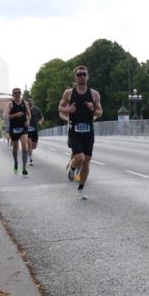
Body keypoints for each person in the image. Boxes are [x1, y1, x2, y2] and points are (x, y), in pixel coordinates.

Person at [59, 65, 103, 200]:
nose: (82, 76)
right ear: (75, 77)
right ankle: (72, 169)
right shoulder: (69, 93)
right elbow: (60, 108)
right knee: (80, 158)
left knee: (86, 161)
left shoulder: (94, 94)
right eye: (79, 74)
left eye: (84, 74)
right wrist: (69, 110)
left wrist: (93, 109)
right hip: (75, 130)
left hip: (89, 130)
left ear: (88, 76)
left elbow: (100, 112)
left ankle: (80, 190)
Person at [3, 89, 30, 175]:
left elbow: (28, 114)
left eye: (19, 92)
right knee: (15, 149)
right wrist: (15, 115)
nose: (17, 94)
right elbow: (5, 116)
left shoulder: (25, 103)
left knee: (24, 146)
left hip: (23, 128)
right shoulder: (10, 104)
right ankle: (16, 162)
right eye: (15, 93)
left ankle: (24, 168)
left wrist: (28, 121)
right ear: (12, 95)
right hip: (14, 128)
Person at [25, 99, 43, 166]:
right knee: (29, 144)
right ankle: (30, 159)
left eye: (31, 101)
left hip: (34, 129)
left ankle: (29, 151)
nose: (30, 102)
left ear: (33, 102)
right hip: (27, 130)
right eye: (28, 101)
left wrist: (40, 121)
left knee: (34, 146)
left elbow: (41, 117)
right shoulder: (25, 110)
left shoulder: (36, 109)